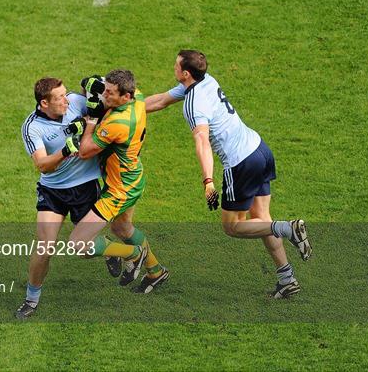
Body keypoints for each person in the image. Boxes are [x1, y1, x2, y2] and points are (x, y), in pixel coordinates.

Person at [145, 50, 312, 298]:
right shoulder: (205, 80)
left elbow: (202, 141)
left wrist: (208, 181)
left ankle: (288, 228)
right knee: (262, 219)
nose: (173, 68)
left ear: (186, 73)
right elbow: (160, 101)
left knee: (233, 227)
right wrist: (124, 109)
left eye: (176, 65)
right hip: (259, 149)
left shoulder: (193, 105)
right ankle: (287, 278)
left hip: (241, 164)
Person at [15, 77, 121, 320]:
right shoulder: (32, 127)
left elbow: (98, 96)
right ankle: (31, 300)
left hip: (84, 186)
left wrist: (90, 83)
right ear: (44, 103)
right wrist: (67, 150)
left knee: (83, 250)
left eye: (65, 94)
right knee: (44, 247)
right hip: (53, 191)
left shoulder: (75, 102)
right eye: (60, 97)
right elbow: (42, 165)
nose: (67, 99)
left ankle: (110, 250)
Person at [67, 69, 169, 294]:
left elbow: (84, 151)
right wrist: (91, 85)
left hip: (118, 190)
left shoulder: (118, 123)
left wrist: (91, 119)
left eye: (111, 93)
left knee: (77, 244)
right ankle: (156, 271)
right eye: (105, 90)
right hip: (132, 179)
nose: (105, 96)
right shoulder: (137, 97)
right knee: (122, 228)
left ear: (126, 96)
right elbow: (97, 88)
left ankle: (133, 254)